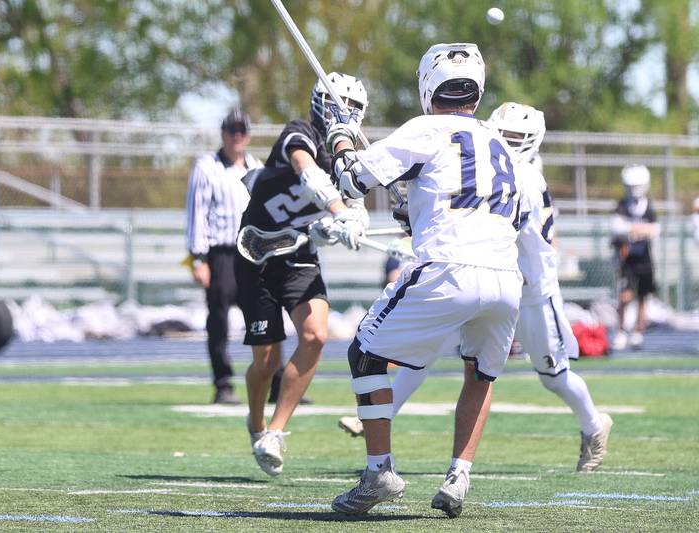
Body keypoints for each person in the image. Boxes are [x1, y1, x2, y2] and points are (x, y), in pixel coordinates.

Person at [339, 102, 614, 475]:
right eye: (505, 135)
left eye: (516, 137)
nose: (508, 142)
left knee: (553, 375)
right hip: (484, 275)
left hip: (530, 288)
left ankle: (594, 425)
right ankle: (384, 417)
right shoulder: (487, 162)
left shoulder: (526, 178)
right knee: (425, 347)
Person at [325, 43, 523, 518]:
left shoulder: (426, 127)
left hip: (449, 269)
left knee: (365, 353)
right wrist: (412, 210)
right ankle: (459, 476)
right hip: (505, 277)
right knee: (481, 372)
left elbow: (351, 181)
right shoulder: (498, 141)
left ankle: (379, 472)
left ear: (427, 84)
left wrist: (340, 136)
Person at [235, 72, 370, 476]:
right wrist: (337, 211)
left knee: (315, 335)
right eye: (338, 104)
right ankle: (256, 423)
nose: (344, 114)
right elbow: (305, 168)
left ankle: (276, 432)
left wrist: (348, 223)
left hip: (298, 255)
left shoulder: (349, 161)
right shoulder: (301, 133)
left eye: (353, 108)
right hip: (257, 250)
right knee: (267, 359)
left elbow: (352, 206)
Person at [185, 108, 263, 404]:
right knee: (219, 320)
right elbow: (197, 212)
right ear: (223, 133)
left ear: (248, 134)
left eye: (241, 130)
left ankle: (274, 379)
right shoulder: (207, 166)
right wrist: (198, 258)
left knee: (263, 317)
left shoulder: (255, 166)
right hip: (220, 254)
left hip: (252, 251)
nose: (237, 136)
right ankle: (223, 383)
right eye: (232, 130)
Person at [610, 165, 659, 350]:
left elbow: (654, 230)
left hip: (644, 259)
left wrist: (632, 229)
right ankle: (621, 331)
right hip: (627, 259)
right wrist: (638, 230)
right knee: (624, 296)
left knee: (643, 297)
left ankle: (638, 332)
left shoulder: (648, 206)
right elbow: (617, 227)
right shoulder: (623, 205)